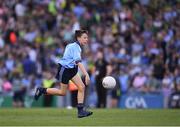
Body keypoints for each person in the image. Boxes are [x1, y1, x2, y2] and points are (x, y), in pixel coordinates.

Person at [34, 30, 93, 118]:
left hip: (72, 69)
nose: (86, 39)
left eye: (87, 37)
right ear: (78, 38)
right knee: (62, 92)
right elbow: (78, 62)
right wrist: (86, 74)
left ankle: (80, 111)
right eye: (84, 38)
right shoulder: (76, 47)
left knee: (81, 87)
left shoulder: (72, 45)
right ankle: (42, 90)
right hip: (65, 70)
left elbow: (72, 59)